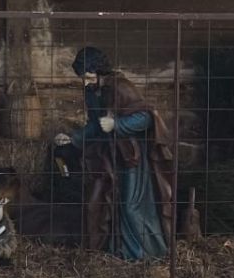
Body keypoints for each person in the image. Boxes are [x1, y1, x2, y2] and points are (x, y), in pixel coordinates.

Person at [56, 46, 172, 261]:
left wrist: (117, 124)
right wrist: (74, 138)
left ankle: (149, 253)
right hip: (110, 155)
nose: (85, 82)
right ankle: (123, 252)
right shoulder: (91, 92)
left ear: (100, 71)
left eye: (89, 76)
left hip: (131, 157)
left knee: (131, 206)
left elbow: (147, 117)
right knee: (111, 202)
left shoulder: (121, 87)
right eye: (82, 77)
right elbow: (95, 125)